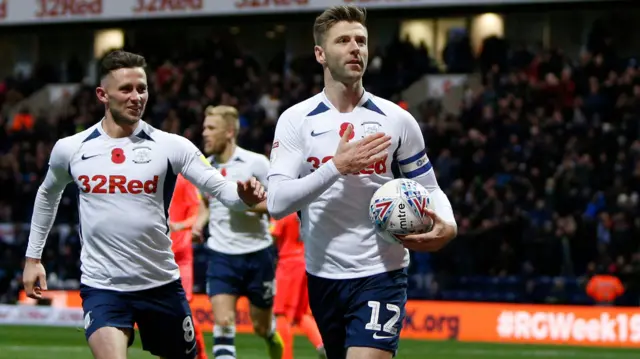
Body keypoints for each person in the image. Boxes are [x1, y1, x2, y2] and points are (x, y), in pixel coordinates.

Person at [22, 50, 266, 359]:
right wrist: (33, 258)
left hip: (160, 284)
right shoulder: (71, 149)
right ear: (102, 94)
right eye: (126, 89)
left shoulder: (171, 146)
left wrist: (244, 197)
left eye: (142, 88)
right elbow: (47, 194)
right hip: (103, 286)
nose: (136, 96)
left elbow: (223, 191)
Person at [266, 6, 458, 359]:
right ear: (320, 54)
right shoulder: (296, 120)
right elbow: (277, 202)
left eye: (361, 40)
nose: (356, 48)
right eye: (343, 41)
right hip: (323, 274)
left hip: (382, 271)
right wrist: (336, 167)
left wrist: (448, 224)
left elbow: (429, 187)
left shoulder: (397, 119)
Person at [192, 105, 283, 359]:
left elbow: (278, 206)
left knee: (260, 327)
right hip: (221, 254)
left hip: (258, 254)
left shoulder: (256, 163)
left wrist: (246, 204)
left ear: (230, 132)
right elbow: (206, 204)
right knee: (223, 323)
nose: (205, 134)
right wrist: (199, 223)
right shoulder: (205, 168)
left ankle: (270, 336)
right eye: (204, 128)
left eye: (211, 128)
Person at [270, 214, 326, 359]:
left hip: (288, 265)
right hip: (307, 263)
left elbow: (272, 235)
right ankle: (323, 346)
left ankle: (285, 357)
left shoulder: (284, 209)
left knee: (281, 314)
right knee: (301, 314)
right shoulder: (308, 207)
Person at [168, 174, 208, 359]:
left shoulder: (183, 181)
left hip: (180, 256)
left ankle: (200, 355)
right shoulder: (146, 176)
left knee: (184, 310)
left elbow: (198, 213)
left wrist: (178, 226)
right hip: (154, 255)